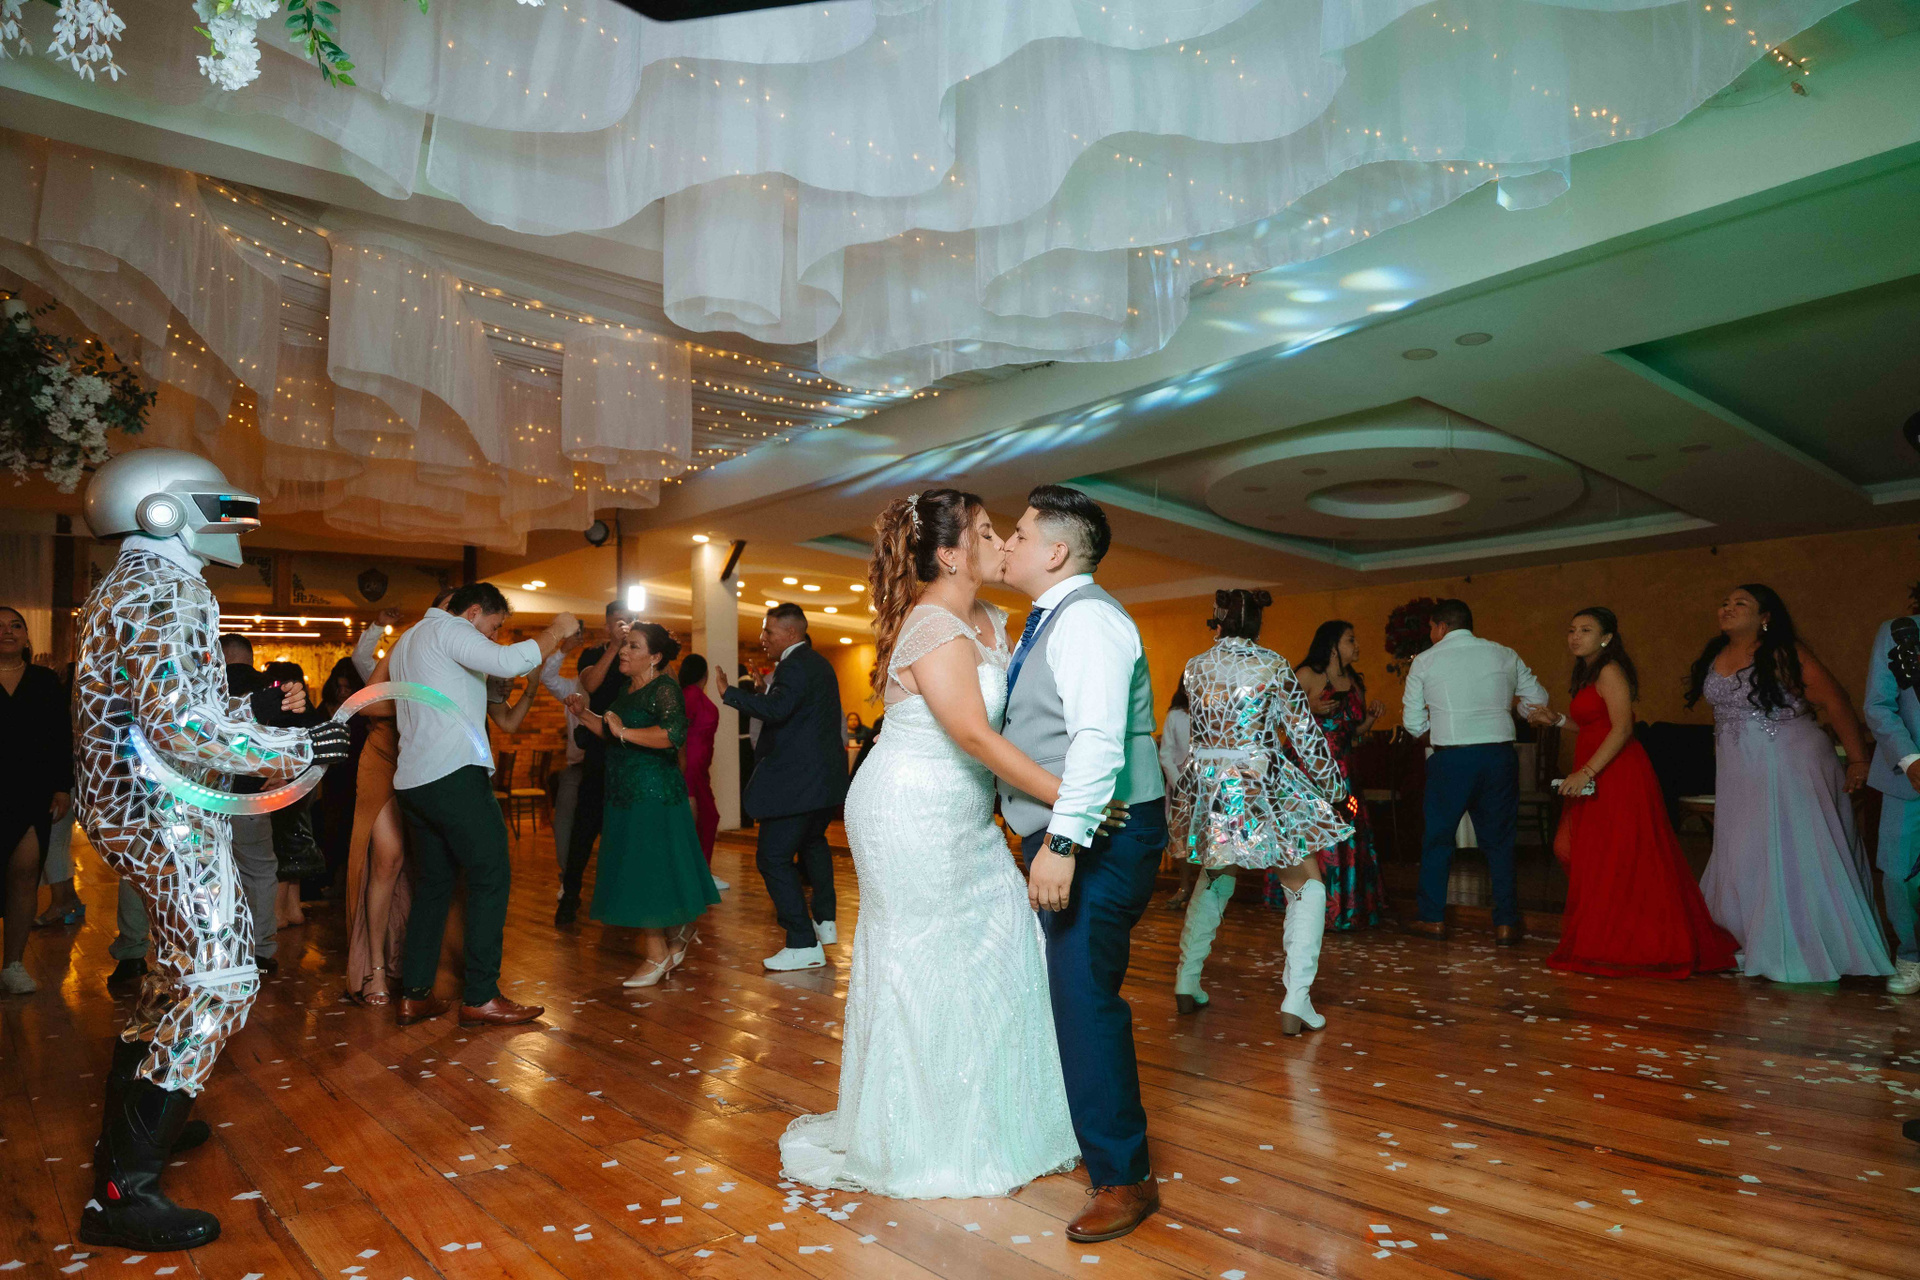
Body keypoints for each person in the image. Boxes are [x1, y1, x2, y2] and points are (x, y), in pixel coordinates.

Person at [71, 448, 349, 1251]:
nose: (236, 522)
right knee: (219, 980)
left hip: (131, 809)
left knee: (174, 971)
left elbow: (164, 704)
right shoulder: (169, 589)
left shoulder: (123, 587)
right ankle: (123, 1190)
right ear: (162, 510)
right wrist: (299, 746)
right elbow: (179, 726)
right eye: (219, 506)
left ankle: (135, 1127)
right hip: (163, 812)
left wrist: (250, 709)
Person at [780, 489, 1093, 1202]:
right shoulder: (930, 625)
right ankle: (919, 1136)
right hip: (908, 807)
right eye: (986, 532)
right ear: (951, 555)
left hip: (966, 813)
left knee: (1002, 945)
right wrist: (1069, 797)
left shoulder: (995, 619)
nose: (1001, 543)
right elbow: (974, 735)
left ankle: (995, 1119)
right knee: (922, 960)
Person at [998, 484, 1168, 1243]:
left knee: (1084, 997)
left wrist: (1061, 845)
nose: (1008, 543)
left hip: (1099, 833)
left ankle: (1124, 1177)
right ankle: (1106, 1152)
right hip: (1076, 826)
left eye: (1019, 533)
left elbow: (1097, 742)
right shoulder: (1053, 618)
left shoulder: (1089, 620)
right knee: (1075, 992)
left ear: (1057, 551)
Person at [388, 582, 577, 1028]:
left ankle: (415, 994)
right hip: (453, 774)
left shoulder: (408, 640)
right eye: (492, 628)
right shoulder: (450, 628)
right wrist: (557, 629)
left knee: (434, 886)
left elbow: (492, 696)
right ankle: (481, 995)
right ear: (472, 612)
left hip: (413, 781)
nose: (492, 638)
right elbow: (510, 660)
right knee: (491, 875)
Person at [1690, 584, 1892, 984]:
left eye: (1740, 603)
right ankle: (1748, 936)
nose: (1727, 608)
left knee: (1792, 846)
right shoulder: (1716, 655)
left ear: (1765, 617)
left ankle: (1803, 944)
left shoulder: (1785, 652)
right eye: (1725, 603)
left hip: (1790, 761)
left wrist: (1858, 760)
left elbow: (1835, 701)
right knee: (1744, 848)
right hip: (1738, 768)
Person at [1168, 591, 1349, 1030]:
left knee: (1216, 876)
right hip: (1257, 786)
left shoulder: (1195, 667)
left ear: (1219, 621)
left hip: (1209, 790)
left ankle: (1186, 982)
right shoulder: (1272, 665)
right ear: (1257, 625)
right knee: (1306, 884)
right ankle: (1296, 1000)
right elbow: (1303, 733)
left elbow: (1200, 734)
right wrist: (1334, 789)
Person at [1525, 608, 1736, 979]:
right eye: (1572, 630)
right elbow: (1594, 725)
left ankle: (1630, 936)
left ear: (1606, 637)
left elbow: (1622, 729)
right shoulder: (1588, 672)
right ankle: (1613, 928)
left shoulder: (1609, 669)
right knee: (1572, 849)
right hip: (1594, 767)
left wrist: (1586, 771)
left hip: (1616, 771)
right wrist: (1556, 720)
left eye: (1586, 630)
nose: (1575, 636)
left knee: (1614, 854)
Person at [567, 624, 720, 986]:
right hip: (624, 793)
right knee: (644, 868)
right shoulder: (627, 690)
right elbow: (612, 732)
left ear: (654, 657)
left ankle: (657, 955)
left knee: (645, 872)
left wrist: (624, 732)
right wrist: (584, 715)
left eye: (633, 646)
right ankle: (679, 931)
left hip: (653, 794)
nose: (623, 651)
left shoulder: (664, 688)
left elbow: (672, 735)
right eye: (625, 644)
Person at [1401, 598, 1548, 944]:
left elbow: (1412, 721)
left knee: (1438, 840)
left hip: (1451, 758)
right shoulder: (1504, 654)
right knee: (1500, 842)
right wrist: (1512, 711)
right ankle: (1506, 923)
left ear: (1441, 627)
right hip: (1499, 756)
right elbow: (1538, 699)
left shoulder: (1425, 660)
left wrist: (1441, 735)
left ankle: (1432, 919)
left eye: (1431, 628)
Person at [717, 602, 848, 971]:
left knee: (772, 858)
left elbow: (777, 712)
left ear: (791, 633)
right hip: (822, 781)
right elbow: (795, 711)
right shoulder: (819, 663)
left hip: (797, 783)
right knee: (812, 843)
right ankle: (824, 921)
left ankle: (802, 942)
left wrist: (730, 692)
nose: (763, 638)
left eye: (768, 631)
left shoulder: (793, 664)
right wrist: (766, 691)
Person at [342, 589, 452, 1007]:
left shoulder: (462, 654)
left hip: (429, 759)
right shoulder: (409, 642)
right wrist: (421, 706)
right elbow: (366, 700)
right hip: (385, 756)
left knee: (430, 863)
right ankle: (375, 968)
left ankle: (418, 963)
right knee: (388, 859)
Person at [1286, 620, 1388, 930]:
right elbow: (1280, 718)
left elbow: (1352, 731)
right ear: (1332, 646)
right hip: (1310, 770)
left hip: (1344, 769)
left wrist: (1370, 720)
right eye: (1350, 640)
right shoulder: (1306, 675)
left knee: (1346, 833)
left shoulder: (1354, 681)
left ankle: (1346, 908)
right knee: (1316, 837)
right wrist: (1308, 707)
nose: (1356, 646)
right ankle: (1314, 910)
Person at [1, 605, 73, 995]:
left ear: (27, 636)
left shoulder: (44, 681)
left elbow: (60, 735)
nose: (8, 631)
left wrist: (62, 787)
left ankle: (13, 963)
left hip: (31, 791)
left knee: (25, 874)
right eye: (0, 626)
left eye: (16, 625)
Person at [555, 602, 635, 926]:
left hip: (632, 753)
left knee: (625, 832)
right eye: (617, 622)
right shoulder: (593, 654)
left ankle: (623, 900)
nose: (623, 627)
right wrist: (614, 646)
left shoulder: (638, 655)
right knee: (584, 829)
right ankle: (569, 897)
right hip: (600, 752)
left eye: (628, 622)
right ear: (607, 625)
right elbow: (590, 685)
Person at [217, 635, 292, 975]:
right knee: (259, 872)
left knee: (211, 875)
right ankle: (260, 950)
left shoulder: (206, 688)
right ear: (249, 657)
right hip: (253, 798)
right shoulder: (269, 690)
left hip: (202, 797)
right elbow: (293, 737)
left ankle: (216, 950)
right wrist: (283, 773)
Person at [1865, 608, 1920, 996]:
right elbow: (1879, 704)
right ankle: (1912, 954)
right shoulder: (1899, 631)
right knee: (1899, 875)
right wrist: (1910, 760)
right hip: (1909, 777)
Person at [262, 660, 326, 933]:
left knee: (280, 850)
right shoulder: (308, 712)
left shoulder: (277, 711)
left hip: (280, 787)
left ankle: (278, 913)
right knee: (295, 844)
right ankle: (293, 908)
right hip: (304, 787)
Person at [538, 629, 590, 879]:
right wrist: (564, 649)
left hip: (607, 767)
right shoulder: (571, 688)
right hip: (577, 767)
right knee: (564, 821)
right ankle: (567, 877)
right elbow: (547, 676)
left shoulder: (613, 690)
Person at [678, 653, 725, 884]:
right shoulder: (689, 696)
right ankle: (697, 872)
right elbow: (679, 731)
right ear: (704, 675)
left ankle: (701, 871)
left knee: (707, 817)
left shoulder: (690, 696)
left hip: (699, 766)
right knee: (702, 817)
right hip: (690, 764)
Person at [1158, 681, 1196, 911]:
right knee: (1181, 837)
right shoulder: (1175, 716)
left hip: (1210, 785)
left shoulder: (1216, 712)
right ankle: (1184, 886)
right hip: (1182, 784)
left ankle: (1207, 890)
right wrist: (1180, 783)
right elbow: (1166, 754)